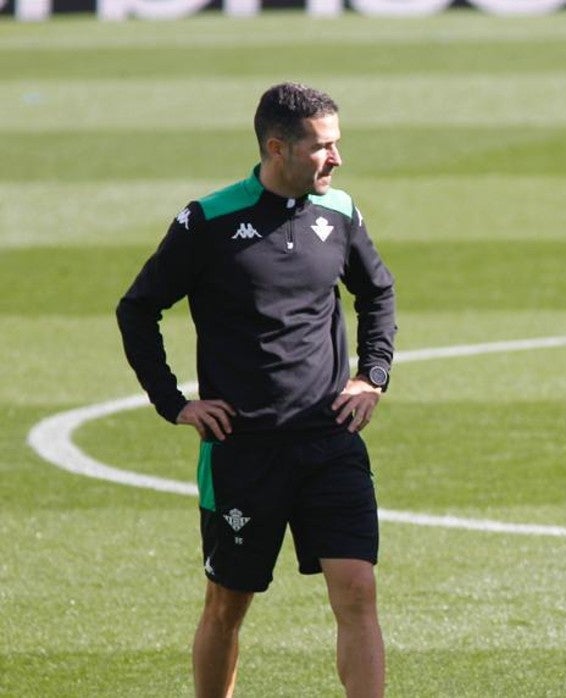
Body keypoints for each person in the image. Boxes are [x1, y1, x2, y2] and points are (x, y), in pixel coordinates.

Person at [116, 82, 397, 698]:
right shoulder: (207, 221)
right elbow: (137, 309)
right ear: (278, 148)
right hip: (243, 450)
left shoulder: (341, 213)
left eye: (338, 144)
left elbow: (377, 292)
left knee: (357, 589)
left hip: (331, 439)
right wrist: (176, 403)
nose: (337, 159)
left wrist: (372, 376)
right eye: (324, 147)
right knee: (227, 604)